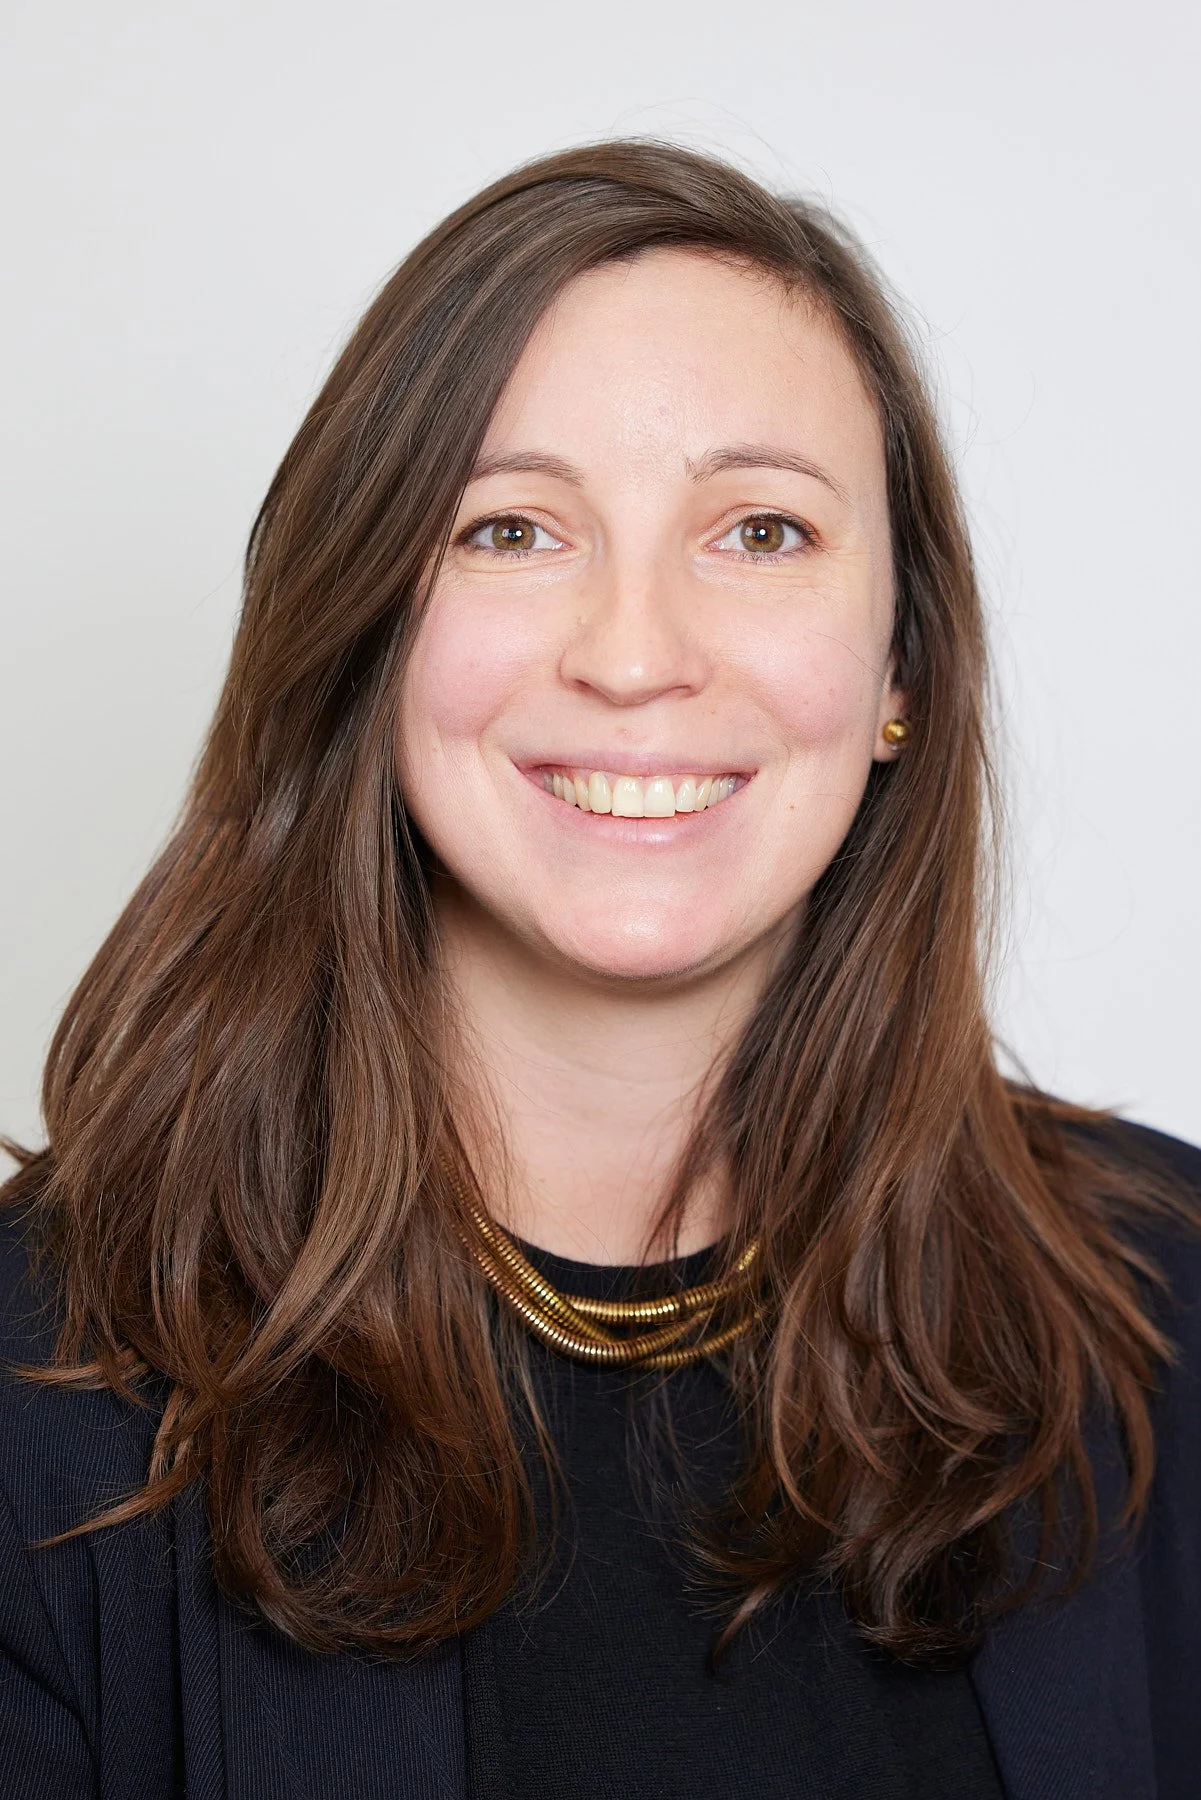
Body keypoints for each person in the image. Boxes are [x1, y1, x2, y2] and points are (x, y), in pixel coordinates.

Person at [1, 139, 1198, 1800]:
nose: (635, 657)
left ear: (900, 665)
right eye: (511, 529)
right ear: (369, 631)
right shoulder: (35, 1387)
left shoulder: (1167, 1306)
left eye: (762, 530)